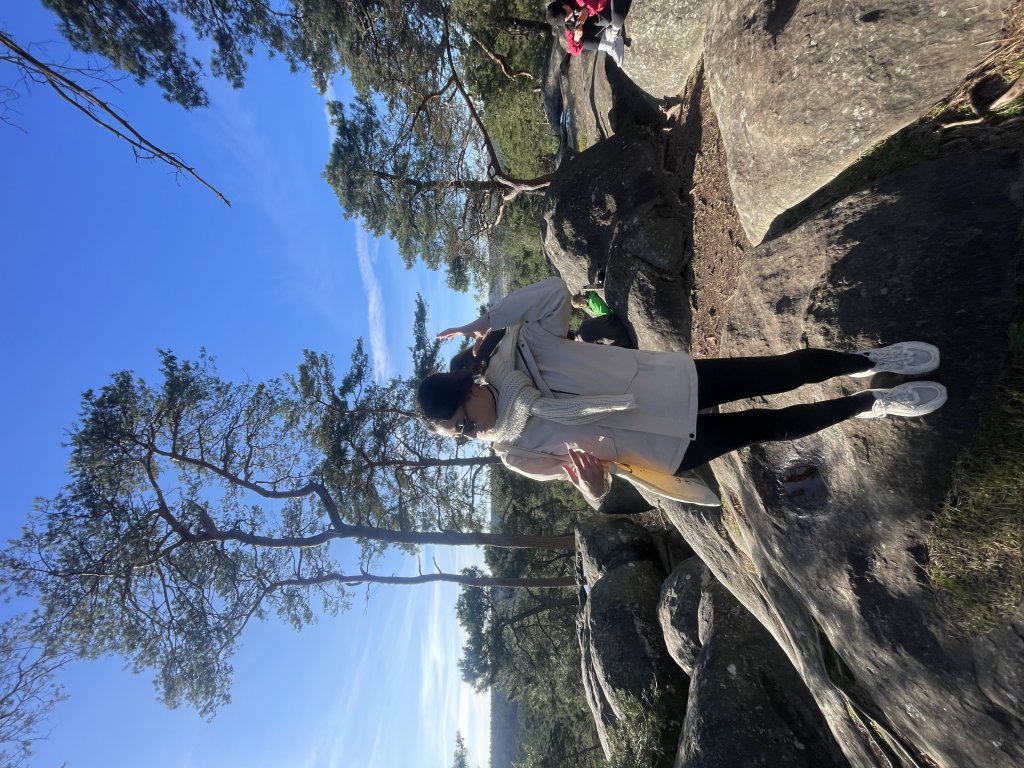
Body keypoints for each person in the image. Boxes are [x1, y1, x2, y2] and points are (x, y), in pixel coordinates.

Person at [416, 277, 946, 507]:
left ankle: (869, 361)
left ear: (468, 386)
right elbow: (590, 485)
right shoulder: (515, 453)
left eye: (464, 420)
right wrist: (595, 489)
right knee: (775, 426)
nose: (474, 431)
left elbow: (555, 292)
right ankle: (872, 403)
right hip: (664, 450)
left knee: (782, 371)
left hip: (668, 383)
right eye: (464, 435)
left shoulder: (518, 347)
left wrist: (485, 322)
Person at [545, 0, 627, 65]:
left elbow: (598, 3)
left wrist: (586, 10)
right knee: (579, 39)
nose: (570, 18)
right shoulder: (568, 22)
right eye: (566, 20)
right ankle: (613, 47)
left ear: (563, 5)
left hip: (606, 5)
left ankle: (614, 34)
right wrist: (576, 39)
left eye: (566, 15)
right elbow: (574, 51)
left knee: (618, 16)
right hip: (601, 18)